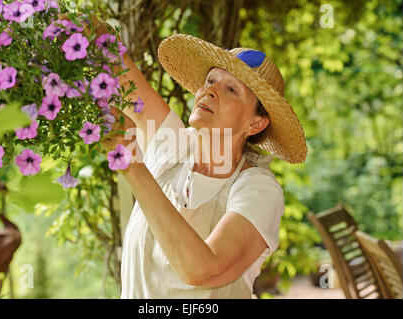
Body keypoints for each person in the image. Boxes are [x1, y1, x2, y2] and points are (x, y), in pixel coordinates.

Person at [98, 22, 308, 298]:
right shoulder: (172, 145)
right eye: (211, 81)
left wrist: (131, 165)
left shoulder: (258, 189)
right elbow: (116, 68)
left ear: (256, 123)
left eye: (232, 89)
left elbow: (202, 269)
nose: (210, 91)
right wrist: (86, 29)